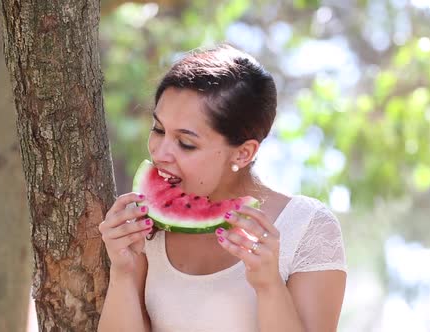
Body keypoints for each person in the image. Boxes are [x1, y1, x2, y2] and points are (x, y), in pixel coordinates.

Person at [98, 44, 347, 332]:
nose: (160, 152)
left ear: (243, 153)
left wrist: (268, 286)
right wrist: (123, 272)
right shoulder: (146, 226)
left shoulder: (307, 227)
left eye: (186, 143)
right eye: (158, 130)